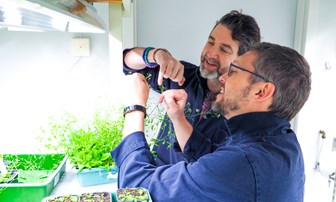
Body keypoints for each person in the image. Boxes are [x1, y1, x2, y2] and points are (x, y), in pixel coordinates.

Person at [112, 42, 311, 201]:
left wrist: (135, 107)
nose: (223, 78)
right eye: (211, 41)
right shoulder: (281, 142)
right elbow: (210, 156)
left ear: (262, 91)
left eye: (233, 71)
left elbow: (134, 190)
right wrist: (178, 117)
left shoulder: (243, 162)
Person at [122, 10, 261, 164]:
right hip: (154, 180)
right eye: (211, 42)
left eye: (224, 50)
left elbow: (211, 166)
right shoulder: (182, 74)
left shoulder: (239, 112)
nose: (211, 53)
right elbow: (127, 63)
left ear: (241, 61)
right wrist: (156, 54)